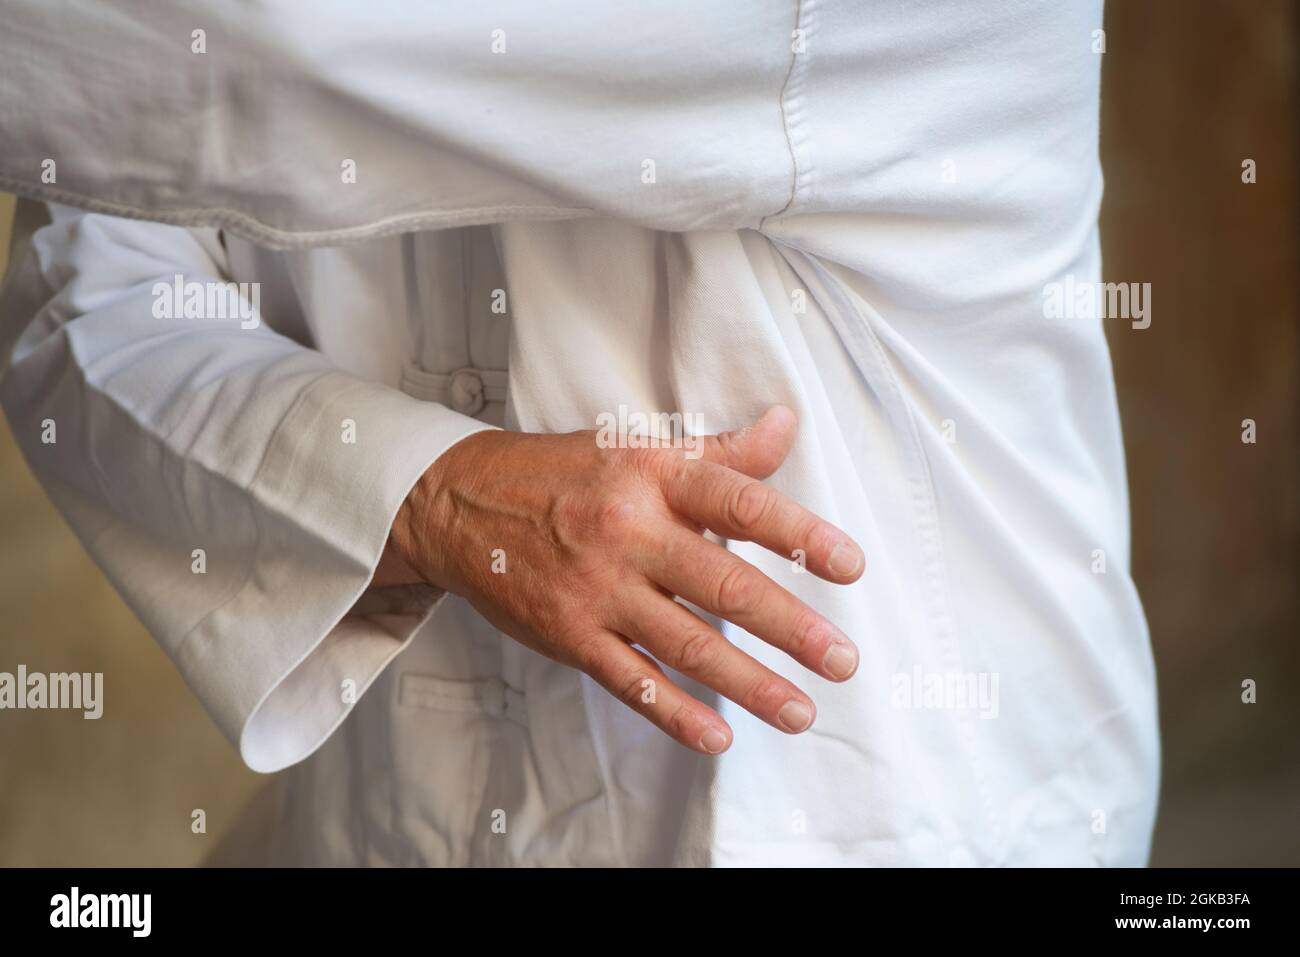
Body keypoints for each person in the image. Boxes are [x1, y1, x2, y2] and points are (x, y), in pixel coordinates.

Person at [0, 0, 1159, 865]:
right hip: (388, 817)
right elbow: (85, 289)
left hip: (876, 821)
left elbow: (267, 59)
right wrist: (426, 494)